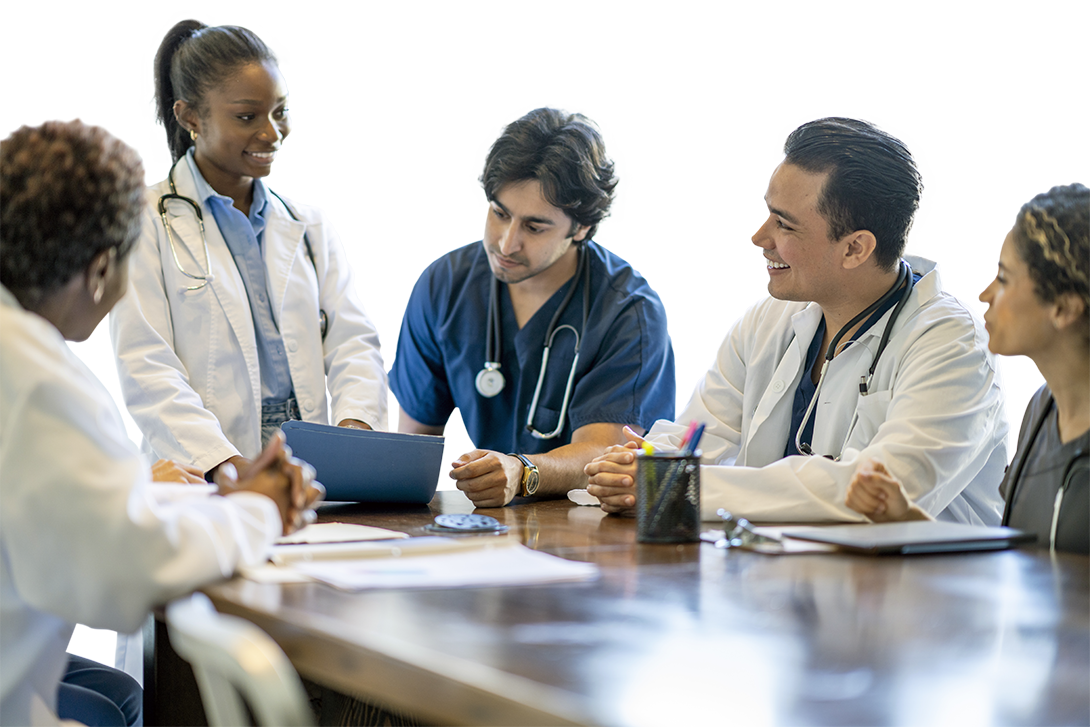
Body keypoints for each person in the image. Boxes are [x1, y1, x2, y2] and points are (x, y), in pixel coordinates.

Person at [0, 119, 321, 727]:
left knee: (121, 700)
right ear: (100, 270)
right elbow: (125, 576)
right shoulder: (36, 379)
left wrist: (144, 499)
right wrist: (257, 510)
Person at [586, 116, 1010, 524]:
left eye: (784, 225)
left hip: (918, 589)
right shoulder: (770, 320)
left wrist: (672, 486)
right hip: (784, 577)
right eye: (768, 213)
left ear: (855, 249)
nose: (759, 238)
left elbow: (874, 496)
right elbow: (697, 434)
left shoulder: (953, 345)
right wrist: (635, 468)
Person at [110, 17, 387, 477]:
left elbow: (354, 344)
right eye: (247, 117)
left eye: (279, 111)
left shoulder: (310, 228)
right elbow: (148, 366)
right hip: (208, 472)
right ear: (190, 116)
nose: (273, 133)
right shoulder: (144, 222)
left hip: (314, 472)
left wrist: (353, 433)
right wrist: (231, 470)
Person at [390, 106, 676, 507]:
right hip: (486, 525)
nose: (506, 244)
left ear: (581, 228)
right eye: (499, 213)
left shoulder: (628, 312)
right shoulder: (445, 286)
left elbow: (602, 455)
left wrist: (522, 471)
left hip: (588, 529)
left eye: (534, 226)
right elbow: (414, 447)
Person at [846, 185, 1090, 553]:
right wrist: (907, 521)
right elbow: (1025, 565)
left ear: (1064, 308)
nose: (986, 294)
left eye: (1004, 279)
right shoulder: (1043, 409)